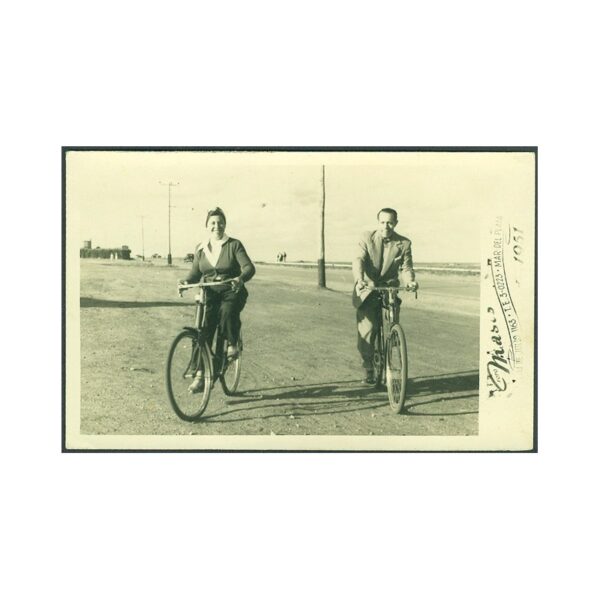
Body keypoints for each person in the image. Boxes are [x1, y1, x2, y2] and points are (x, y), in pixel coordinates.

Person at [180, 207, 256, 392]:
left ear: (225, 224)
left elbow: (248, 268)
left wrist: (240, 278)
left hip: (232, 290)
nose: (217, 226)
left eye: (220, 222)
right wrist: (185, 282)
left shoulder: (234, 245)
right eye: (212, 222)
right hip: (209, 294)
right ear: (207, 225)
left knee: (227, 312)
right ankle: (199, 375)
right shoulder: (201, 248)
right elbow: (195, 273)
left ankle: (232, 344)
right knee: (203, 331)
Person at [352, 208, 418, 385]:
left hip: (388, 289)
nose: (386, 226)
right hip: (367, 288)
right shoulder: (367, 237)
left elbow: (406, 268)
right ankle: (369, 368)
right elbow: (359, 259)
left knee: (393, 326)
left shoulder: (404, 243)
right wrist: (359, 279)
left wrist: (410, 281)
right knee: (368, 330)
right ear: (378, 222)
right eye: (382, 222)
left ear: (395, 223)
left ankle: (390, 358)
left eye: (390, 222)